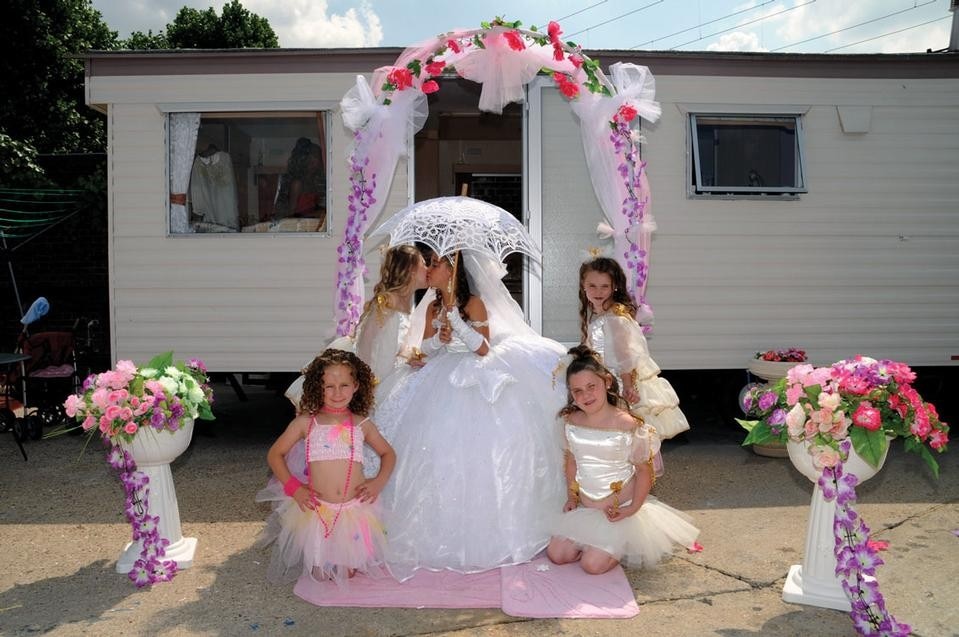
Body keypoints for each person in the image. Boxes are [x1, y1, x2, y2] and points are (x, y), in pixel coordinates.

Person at [374, 247, 568, 581]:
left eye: (436, 265)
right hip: (439, 376)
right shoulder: (433, 305)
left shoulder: (473, 303)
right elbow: (426, 349)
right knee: (434, 448)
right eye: (430, 264)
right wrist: (439, 339)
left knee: (481, 450)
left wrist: (458, 323)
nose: (430, 270)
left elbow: (483, 348)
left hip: (474, 374)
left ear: (453, 270)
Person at [547, 346, 699, 574]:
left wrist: (633, 509)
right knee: (557, 555)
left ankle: (621, 543)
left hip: (619, 511)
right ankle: (593, 543)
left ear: (607, 382)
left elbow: (643, 472)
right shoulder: (572, 421)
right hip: (587, 506)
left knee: (592, 566)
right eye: (577, 391)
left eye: (591, 387)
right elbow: (572, 460)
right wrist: (572, 496)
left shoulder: (628, 425)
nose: (585, 396)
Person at [257, 349, 396, 585]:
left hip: (354, 510)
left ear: (356, 386)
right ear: (317, 388)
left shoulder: (361, 424)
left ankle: (347, 559)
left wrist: (378, 482)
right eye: (329, 386)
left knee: (347, 573)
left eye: (344, 385)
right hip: (318, 513)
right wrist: (295, 488)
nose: (337, 393)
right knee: (321, 575)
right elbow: (275, 455)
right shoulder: (305, 423)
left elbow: (388, 453)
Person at [578, 257, 689, 439]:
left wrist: (627, 386)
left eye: (604, 286)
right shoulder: (603, 315)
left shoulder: (614, 317)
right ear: (583, 285)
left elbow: (624, 353)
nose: (598, 291)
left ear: (614, 286)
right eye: (592, 286)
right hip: (603, 380)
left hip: (617, 382)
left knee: (625, 434)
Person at [276, 137, 326, 226]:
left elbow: (311, 207)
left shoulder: (313, 181)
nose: (317, 161)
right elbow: (291, 215)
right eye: (314, 156)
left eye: (318, 157)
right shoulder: (297, 183)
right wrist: (315, 214)